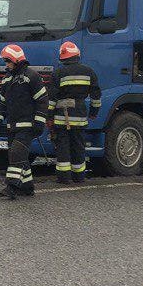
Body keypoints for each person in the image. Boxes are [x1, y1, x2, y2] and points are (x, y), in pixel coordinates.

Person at [0, 44, 47, 199]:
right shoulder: (7, 79)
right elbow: (3, 102)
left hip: (27, 126)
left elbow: (42, 101)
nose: (6, 64)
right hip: (12, 126)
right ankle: (27, 187)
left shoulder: (32, 76)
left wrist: (39, 122)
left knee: (16, 153)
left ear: (16, 60)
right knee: (19, 155)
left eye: (7, 61)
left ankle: (12, 187)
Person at [48, 40, 102, 184]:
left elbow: (51, 99)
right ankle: (79, 176)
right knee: (79, 146)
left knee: (63, 147)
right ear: (77, 55)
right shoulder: (89, 71)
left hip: (61, 116)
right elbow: (96, 95)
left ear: (62, 57)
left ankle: (64, 177)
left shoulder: (58, 73)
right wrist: (94, 112)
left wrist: (49, 117)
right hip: (80, 115)